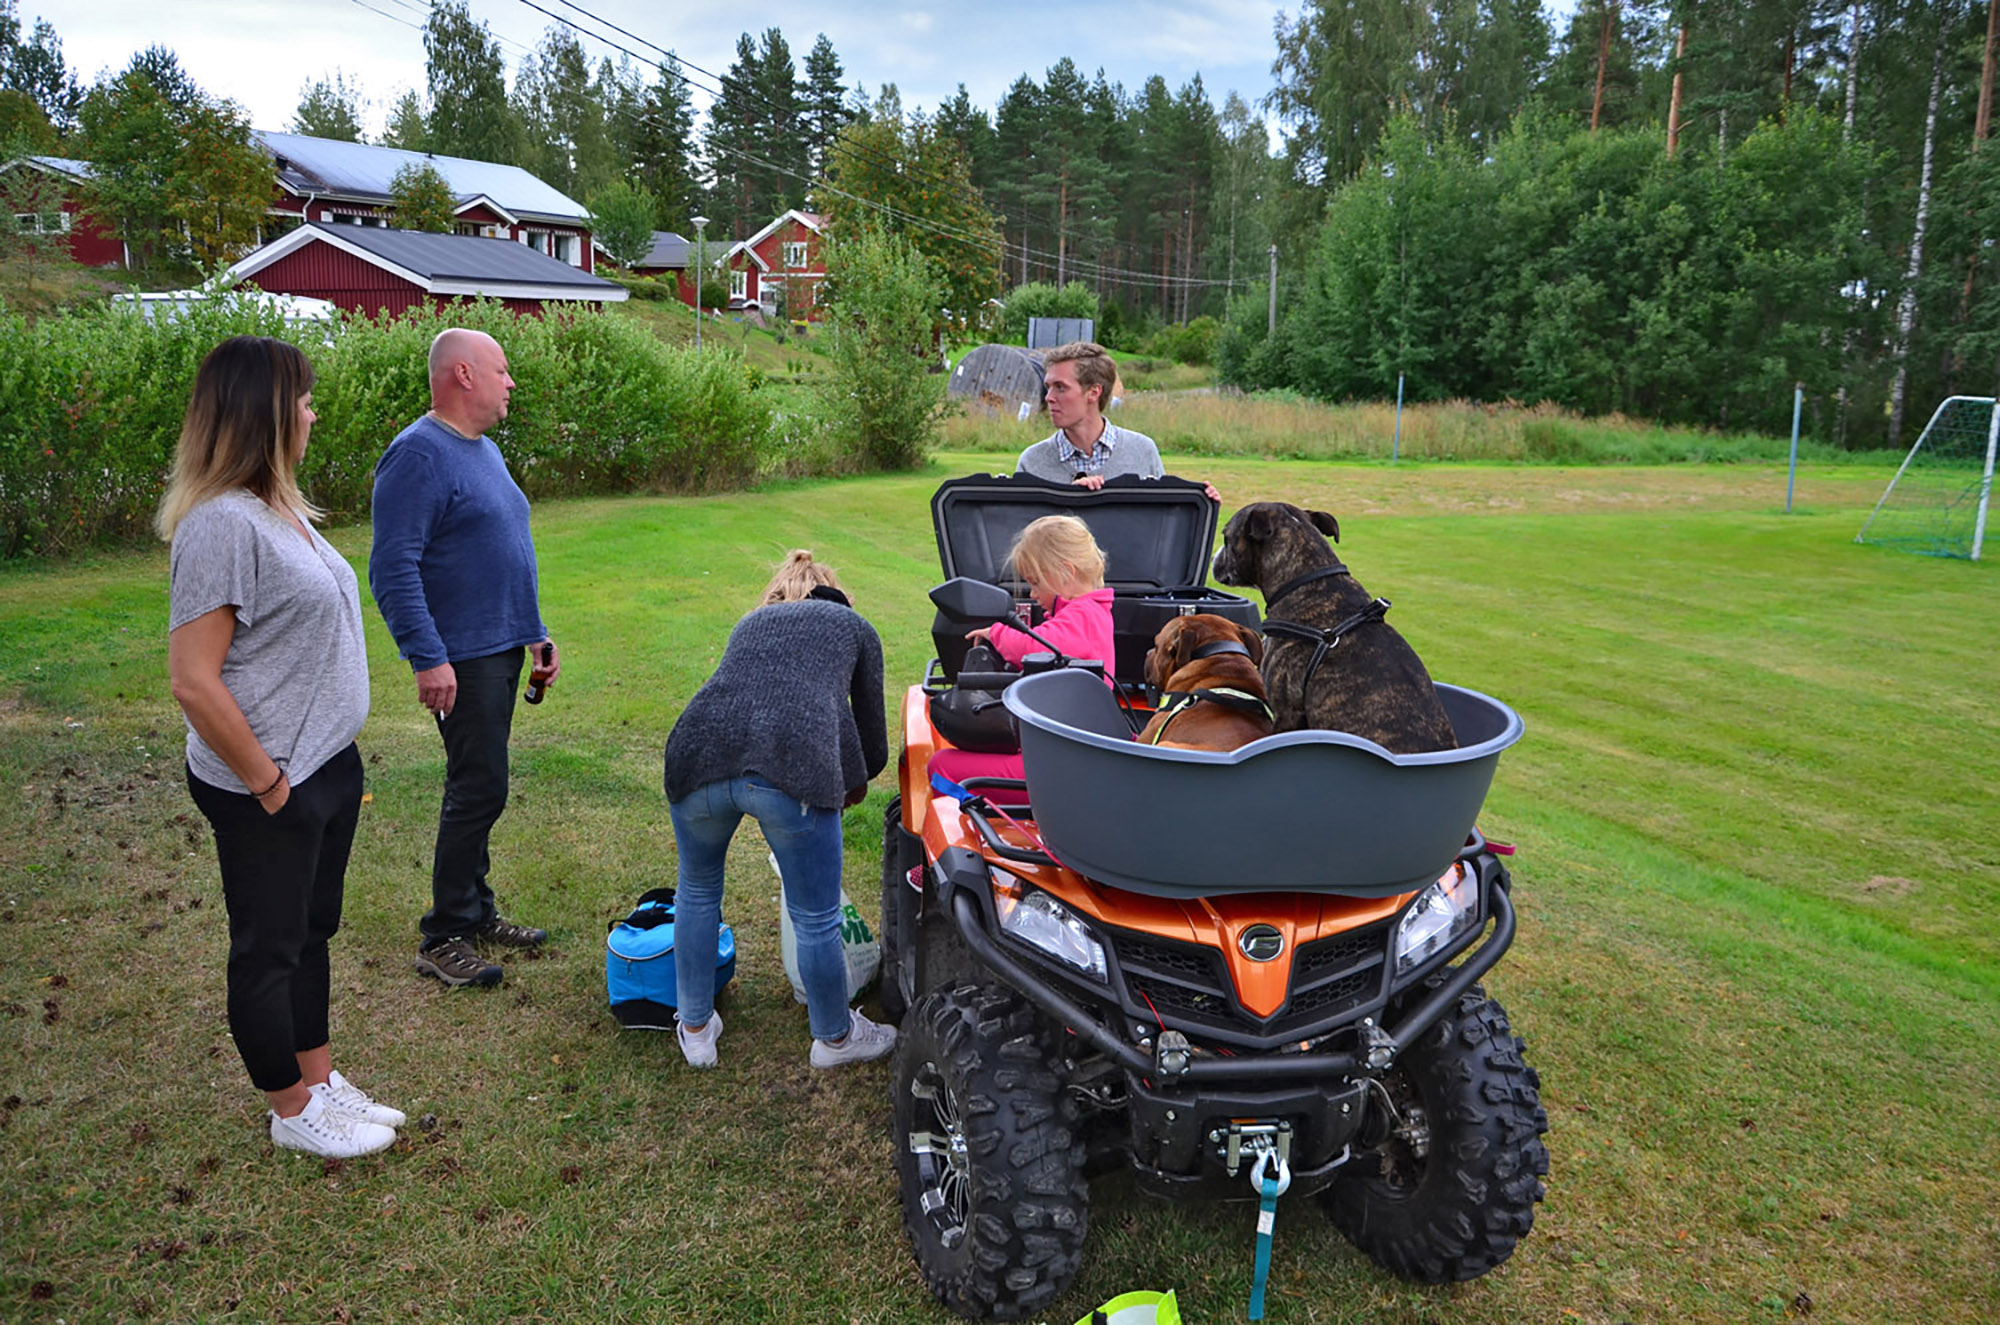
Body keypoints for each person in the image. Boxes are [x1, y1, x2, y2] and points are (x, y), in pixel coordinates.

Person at [161, 336, 402, 1159]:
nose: (312, 411)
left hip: (324, 764)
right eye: (300, 398)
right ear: (263, 412)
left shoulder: (277, 508)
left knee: (311, 932)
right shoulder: (222, 524)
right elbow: (194, 680)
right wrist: (269, 786)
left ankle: (321, 1080)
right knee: (269, 947)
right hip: (268, 779)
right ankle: (290, 1107)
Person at [370, 328, 558, 989]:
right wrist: (428, 657)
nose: (511, 383)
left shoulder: (483, 451)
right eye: (502, 370)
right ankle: (443, 932)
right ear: (464, 375)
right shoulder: (417, 456)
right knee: (479, 786)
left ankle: (476, 909)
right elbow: (392, 568)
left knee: (481, 783)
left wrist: (536, 633)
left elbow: (506, 547)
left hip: (501, 647)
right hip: (462, 657)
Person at [662, 551, 895, 1071]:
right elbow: (874, 745)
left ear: (776, 595)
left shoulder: (750, 624)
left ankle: (696, 1029)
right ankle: (834, 1039)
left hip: (694, 754)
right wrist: (848, 783)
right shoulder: (853, 626)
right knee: (816, 916)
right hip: (794, 768)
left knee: (696, 891)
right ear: (834, 592)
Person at [930, 515, 1117, 793]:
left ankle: (973, 822)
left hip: (1061, 762)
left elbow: (1038, 646)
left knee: (942, 767)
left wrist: (997, 634)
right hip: (1063, 749)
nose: (1032, 593)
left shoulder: (1083, 616)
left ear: (1065, 572)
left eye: (1036, 583)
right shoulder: (1089, 613)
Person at [1016, 341, 1221, 502]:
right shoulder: (1032, 462)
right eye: (1048, 386)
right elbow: (1021, 543)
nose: (1048, 397)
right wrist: (1071, 500)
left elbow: (1162, 527)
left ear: (1093, 392)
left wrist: (1203, 502)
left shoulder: (1142, 452)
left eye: (1060, 387)